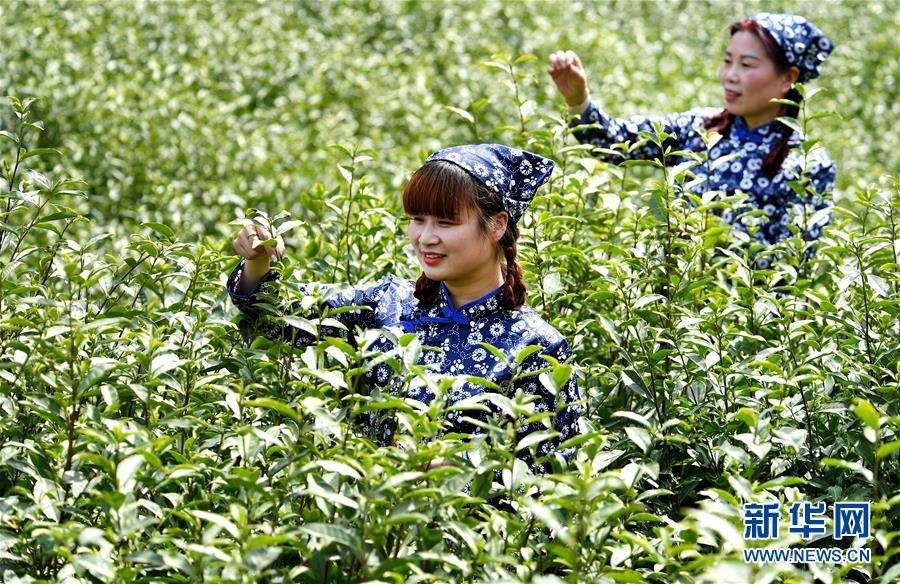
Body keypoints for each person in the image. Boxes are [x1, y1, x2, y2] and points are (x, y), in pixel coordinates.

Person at [228, 144, 582, 469]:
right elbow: (277, 315)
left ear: (497, 225)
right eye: (417, 219)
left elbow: (551, 473)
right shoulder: (388, 304)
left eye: (445, 222)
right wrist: (258, 261)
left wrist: (458, 470)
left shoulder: (536, 347)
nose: (426, 237)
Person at [548, 13, 836, 251]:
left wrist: (710, 239)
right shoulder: (699, 127)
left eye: (747, 65)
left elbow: (795, 262)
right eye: (727, 61)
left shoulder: (807, 163)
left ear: (788, 78)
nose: (729, 75)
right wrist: (579, 100)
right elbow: (615, 143)